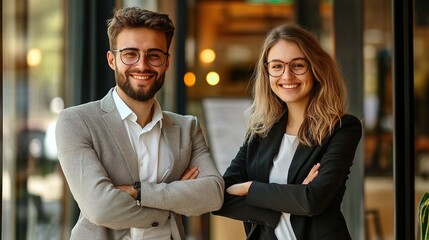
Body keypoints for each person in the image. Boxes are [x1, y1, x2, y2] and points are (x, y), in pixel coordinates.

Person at [55, 7, 224, 240]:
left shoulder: (187, 128)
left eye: (153, 55)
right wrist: (173, 202)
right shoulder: (76, 122)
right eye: (130, 54)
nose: (142, 65)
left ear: (166, 62)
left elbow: (213, 194)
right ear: (112, 60)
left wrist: (138, 191)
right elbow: (100, 207)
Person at [212, 24, 362, 240]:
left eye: (298, 65)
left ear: (315, 68)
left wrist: (250, 188)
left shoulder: (341, 128)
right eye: (277, 66)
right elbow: (220, 200)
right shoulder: (260, 131)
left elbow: (313, 200)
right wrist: (293, 196)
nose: (287, 75)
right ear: (267, 71)